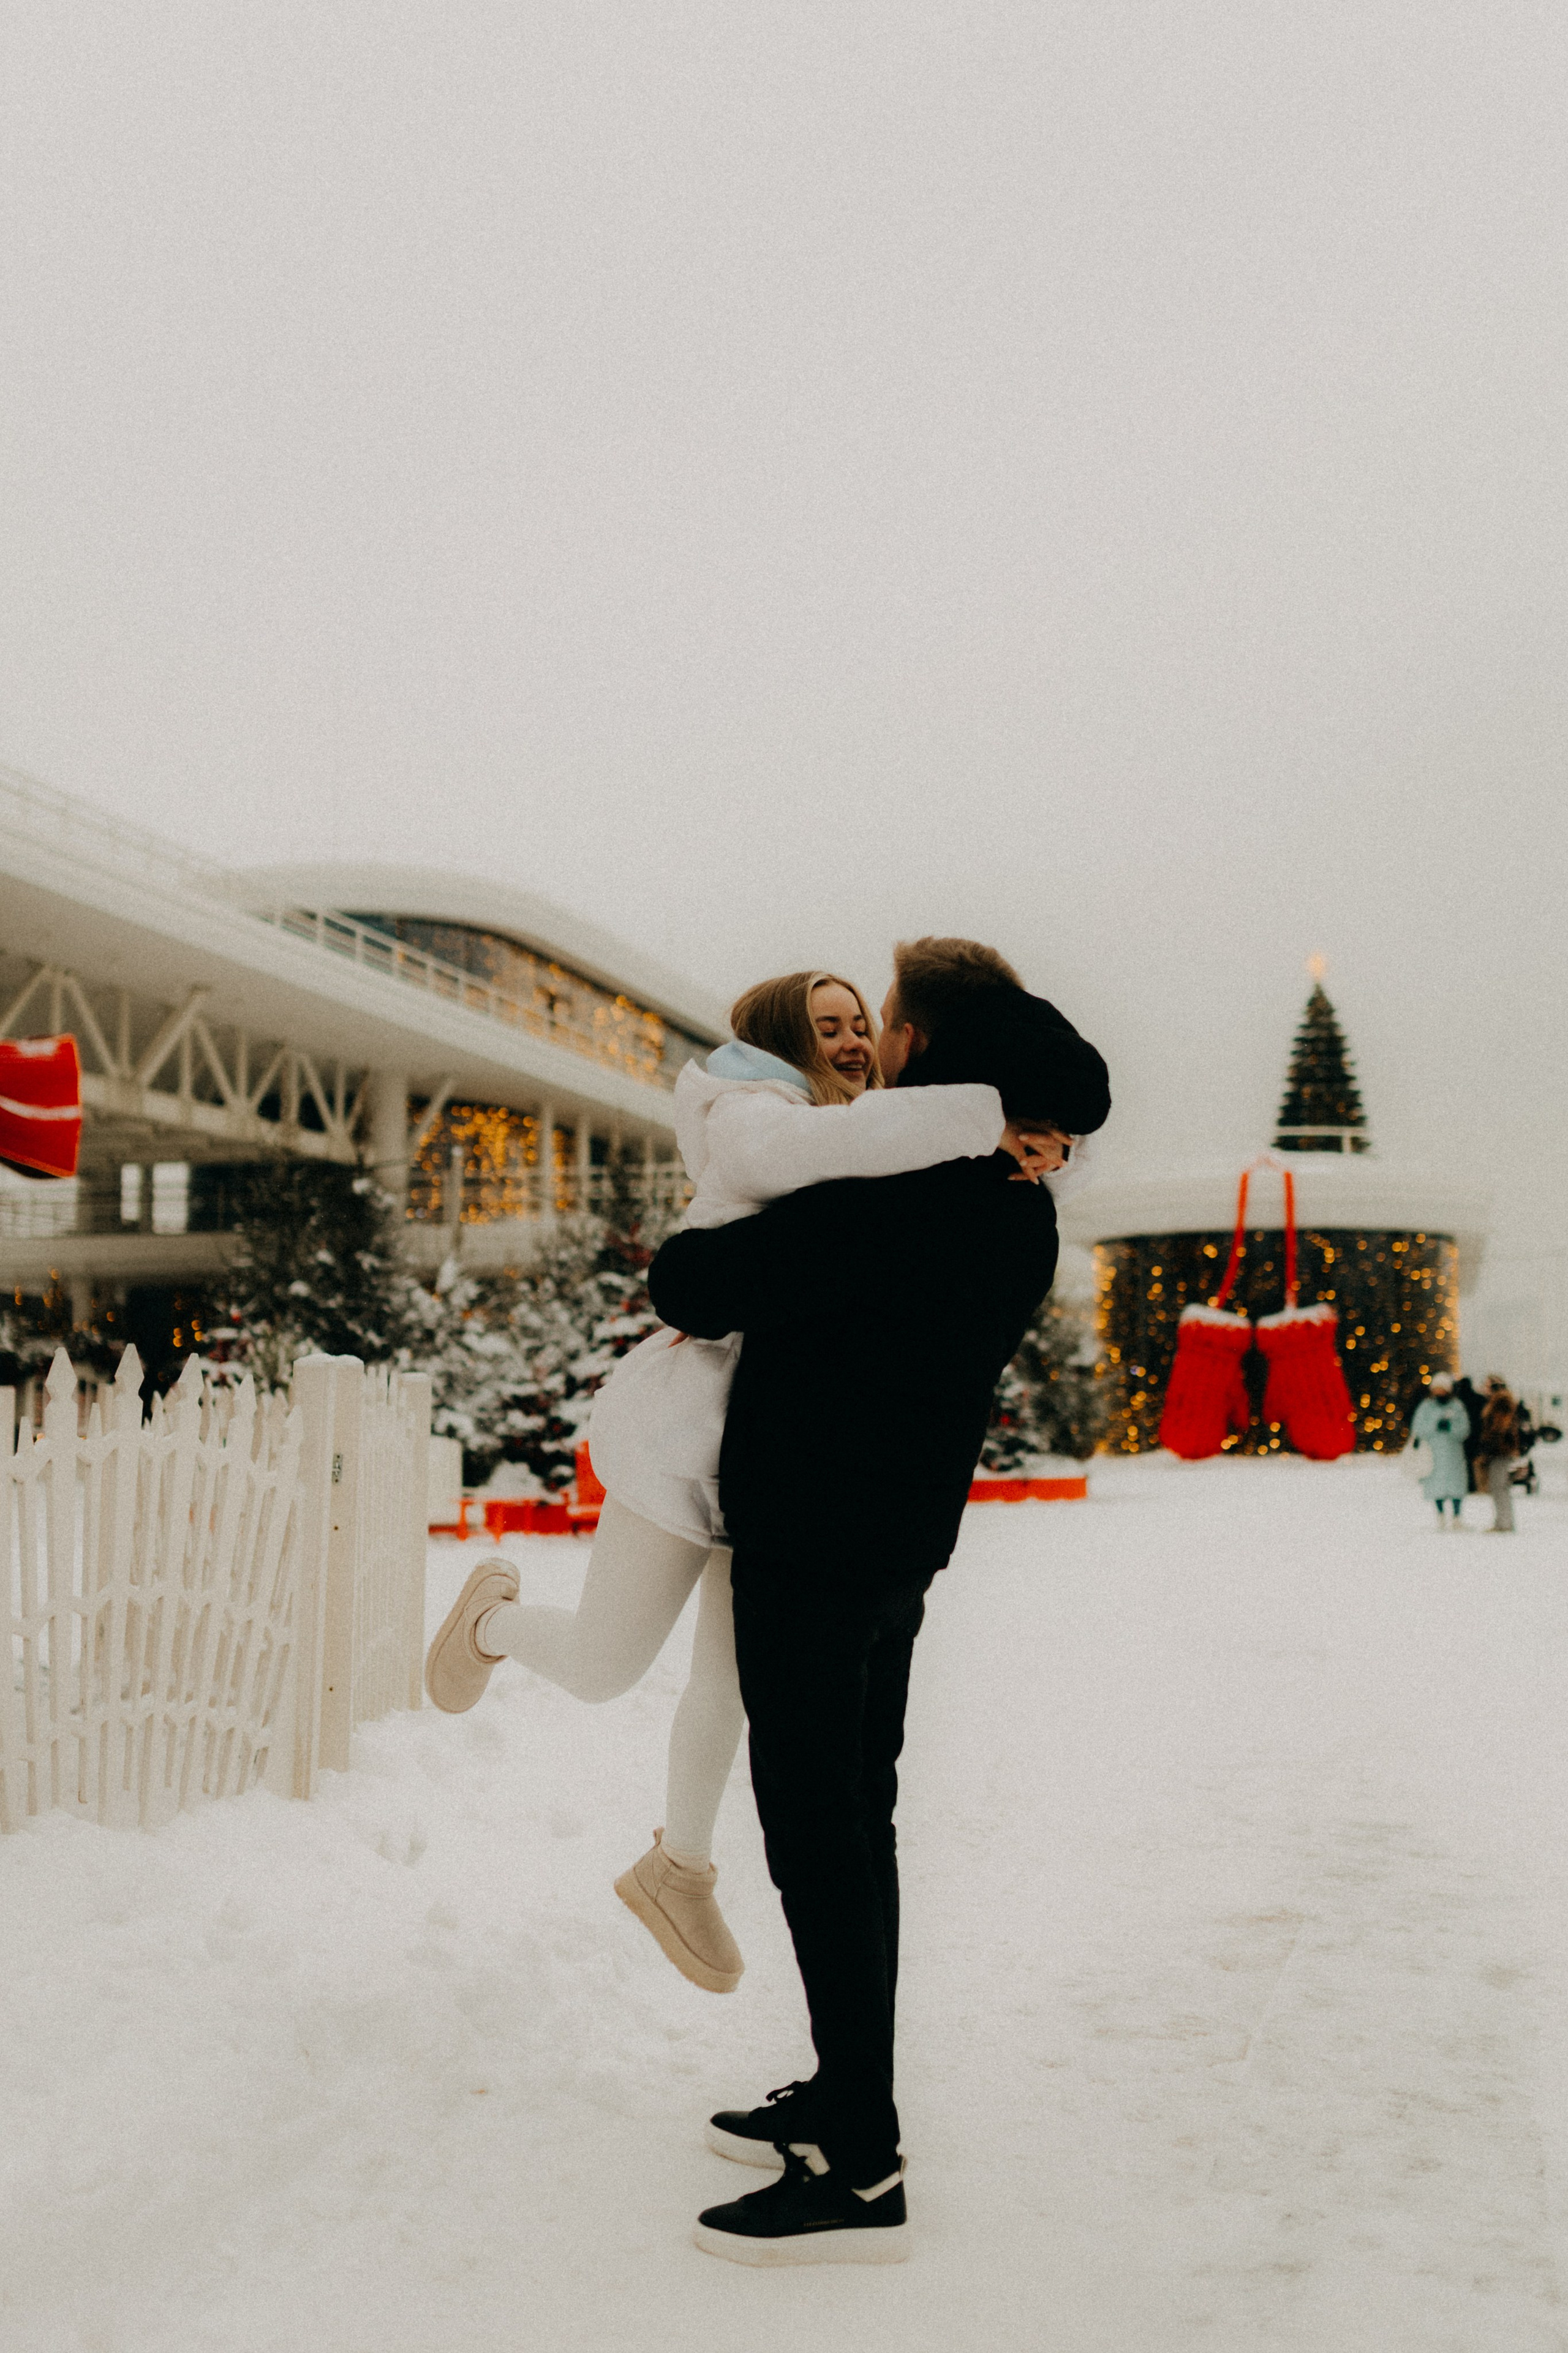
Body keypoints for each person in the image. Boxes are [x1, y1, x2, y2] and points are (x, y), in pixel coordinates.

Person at [423, 965, 1082, 1995]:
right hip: (684, 1441)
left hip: (779, 1475)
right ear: (785, 1035)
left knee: (733, 1689)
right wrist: (990, 1119)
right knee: (605, 1667)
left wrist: (1014, 1141)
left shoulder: (870, 1136)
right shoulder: (751, 1113)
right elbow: (824, 1155)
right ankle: (487, 1627)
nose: (857, 1040)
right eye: (831, 1024)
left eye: (864, 1024)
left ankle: (677, 1869)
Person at [647, 937, 1110, 2265]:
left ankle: (857, 2168)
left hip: (811, 1540)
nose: (880, 1039)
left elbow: (692, 1280)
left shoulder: (906, 1197)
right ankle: (847, 2092)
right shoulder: (1012, 1200)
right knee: (860, 1815)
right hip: (894, 1544)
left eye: (892, 1021)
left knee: (817, 1832)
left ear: (928, 1049)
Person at [1409, 1373, 1470, 1527]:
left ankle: (1457, 1516)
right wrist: (1435, 1426)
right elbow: (1418, 1428)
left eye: (1442, 1389)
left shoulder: (1457, 1407)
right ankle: (1441, 1514)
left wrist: (1451, 1428)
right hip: (1433, 1452)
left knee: (1456, 1485)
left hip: (1453, 1452)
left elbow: (1464, 1429)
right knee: (1437, 1485)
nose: (1439, 1393)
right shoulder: (1426, 1407)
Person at [1474, 1375, 1521, 1533]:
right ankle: (1504, 1522)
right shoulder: (1501, 1402)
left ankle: (1504, 1523)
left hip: (1500, 1451)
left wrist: (1488, 1447)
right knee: (1500, 1488)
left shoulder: (1500, 1403)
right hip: (1501, 1450)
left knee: (1499, 1488)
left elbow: (1499, 1428)